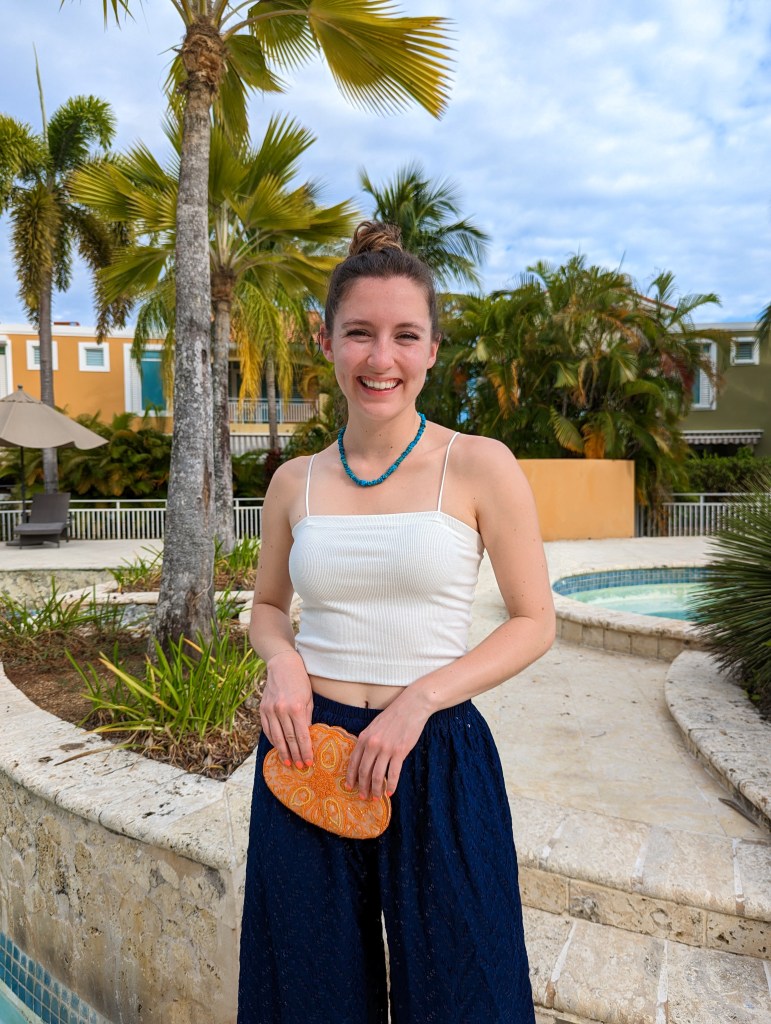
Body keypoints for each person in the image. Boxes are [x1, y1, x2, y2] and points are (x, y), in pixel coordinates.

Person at [237, 221, 555, 1024]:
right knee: (306, 993)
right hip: (306, 751)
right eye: (359, 334)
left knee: (466, 992)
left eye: (404, 335)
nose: (382, 359)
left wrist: (418, 702)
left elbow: (532, 621)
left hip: (437, 751)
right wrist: (281, 662)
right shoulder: (293, 483)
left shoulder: (477, 464)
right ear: (327, 342)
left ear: (433, 348)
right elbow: (268, 608)